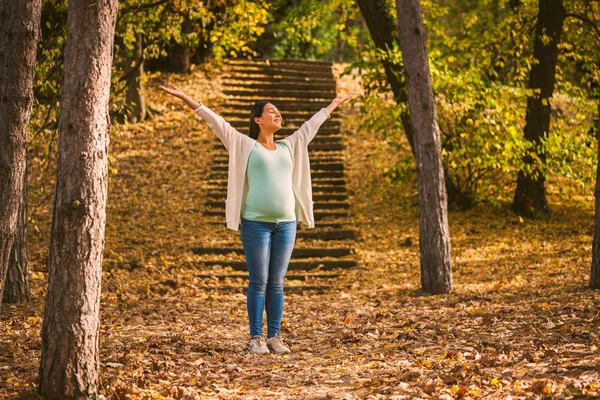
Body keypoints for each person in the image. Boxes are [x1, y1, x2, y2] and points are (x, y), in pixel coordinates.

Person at [160, 83, 351, 354]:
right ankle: (255, 338)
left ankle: (274, 336)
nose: (278, 114)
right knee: (259, 280)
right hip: (255, 223)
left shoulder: (290, 145)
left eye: (278, 111)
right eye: (271, 111)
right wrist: (186, 98)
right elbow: (217, 123)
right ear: (258, 120)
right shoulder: (244, 145)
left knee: (277, 282)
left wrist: (332, 105)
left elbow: (311, 126)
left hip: (286, 224)